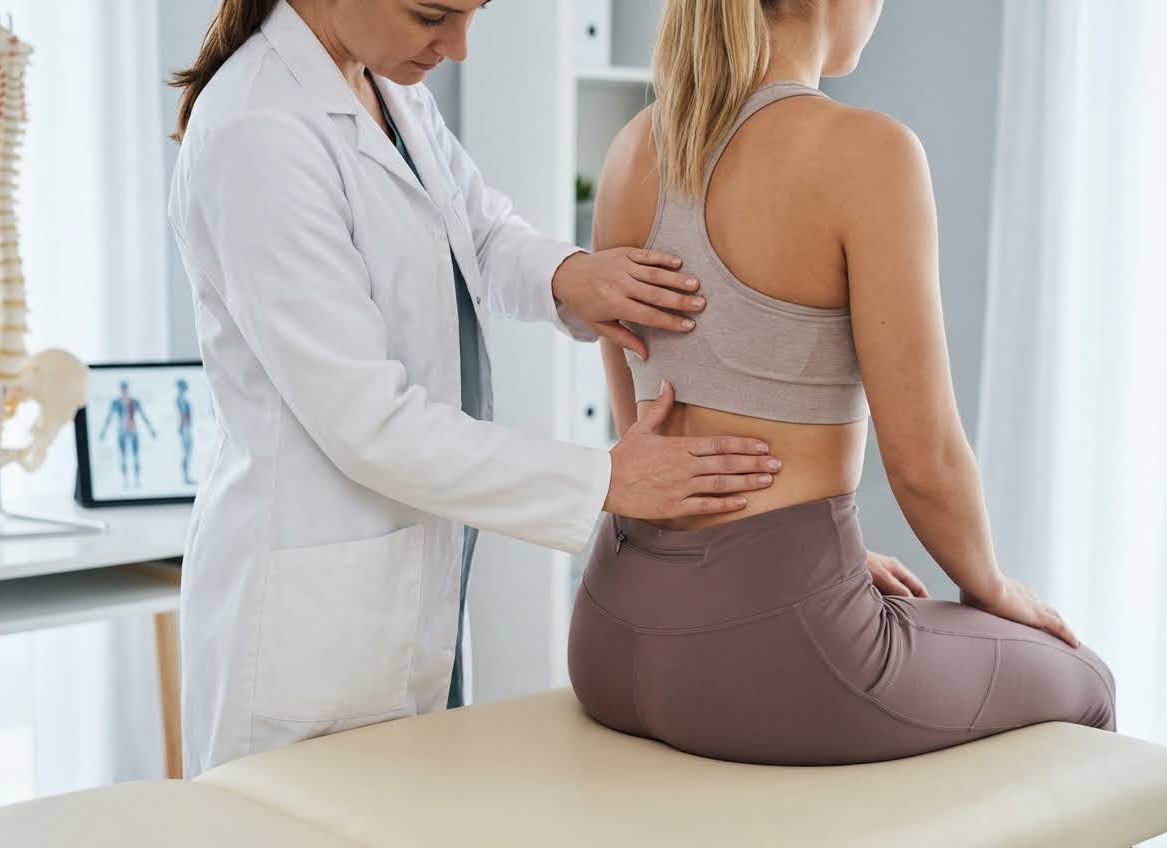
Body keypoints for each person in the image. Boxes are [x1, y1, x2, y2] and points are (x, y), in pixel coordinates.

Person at [165, 0, 786, 777]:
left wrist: (570, 275)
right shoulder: (258, 131)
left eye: (473, 14)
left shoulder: (389, 91)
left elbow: (478, 230)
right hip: (309, 626)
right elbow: (368, 424)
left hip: (411, 581)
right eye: (433, 15)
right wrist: (605, 479)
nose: (458, 48)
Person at [567, 0, 1117, 765]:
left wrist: (812, 557)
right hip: (770, 655)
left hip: (608, 633)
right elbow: (925, 462)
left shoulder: (634, 145)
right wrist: (993, 586)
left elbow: (642, 432)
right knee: (1084, 680)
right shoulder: (867, 153)